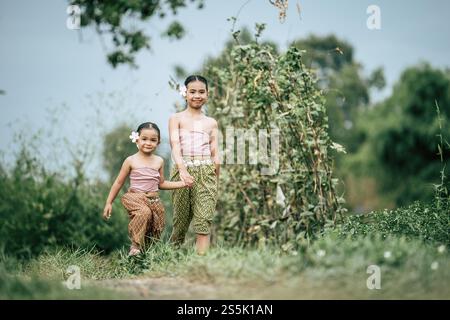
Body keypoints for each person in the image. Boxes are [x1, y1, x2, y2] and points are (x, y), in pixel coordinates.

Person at [102, 122, 186, 256]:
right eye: (144, 139)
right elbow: (118, 182)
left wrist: (182, 184)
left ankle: (143, 255)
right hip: (135, 197)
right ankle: (135, 246)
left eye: (153, 140)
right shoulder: (131, 160)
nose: (148, 143)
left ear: (158, 143)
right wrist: (109, 202)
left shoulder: (159, 161)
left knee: (156, 226)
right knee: (143, 213)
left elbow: (161, 183)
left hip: (154, 199)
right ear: (137, 139)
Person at [169, 75, 220, 255]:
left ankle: (201, 262)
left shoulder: (211, 122)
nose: (197, 95)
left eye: (201, 92)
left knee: (203, 220)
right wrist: (182, 170)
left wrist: (216, 181)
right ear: (185, 94)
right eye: (192, 92)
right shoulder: (176, 118)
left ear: (207, 94)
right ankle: (171, 257)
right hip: (182, 171)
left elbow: (215, 154)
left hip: (206, 172)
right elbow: (175, 146)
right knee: (180, 222)